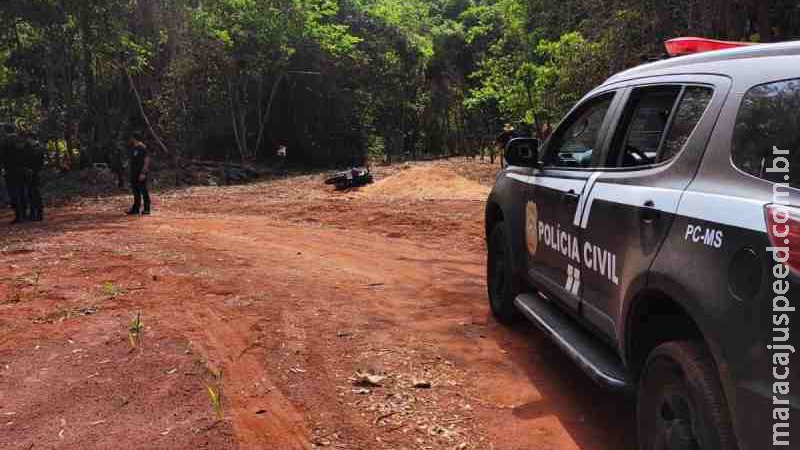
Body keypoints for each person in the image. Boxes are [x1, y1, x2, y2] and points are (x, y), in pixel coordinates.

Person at [20, 130, 44, 222]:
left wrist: (33, 170)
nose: (27, 140)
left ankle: (38, 214)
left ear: (31, 138)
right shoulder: (29, 147)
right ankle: (33, 214)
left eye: (28, 138)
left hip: (35, 173)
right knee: (31, 194)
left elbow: (37, 162)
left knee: (35, 194)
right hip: (30, 173)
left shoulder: (38, 148)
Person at [126, 131, 151, 216]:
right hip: (134, 173)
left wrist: (143, 173)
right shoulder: (134, 147)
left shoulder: (143, 147)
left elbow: (147, 160)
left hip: (141, 173)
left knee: (144, 191)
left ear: (134, 138)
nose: (130, 139)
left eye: (131, 138)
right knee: (136, 191)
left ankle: (147, 209)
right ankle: (136, 208)